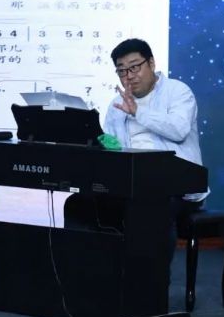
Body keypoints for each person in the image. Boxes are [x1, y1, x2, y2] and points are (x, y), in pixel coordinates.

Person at [64, 38, 208, 253]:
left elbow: (179, 130)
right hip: (133, 183)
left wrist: (138, 112)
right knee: (78, 203)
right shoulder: (117, 104)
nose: (129, 76)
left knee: (150, 206)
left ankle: (153, 273)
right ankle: (96, 267)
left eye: (134, 67)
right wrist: (104, 144)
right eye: (122, 71)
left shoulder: (177, 91)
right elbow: (114, 150)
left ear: (151, 63)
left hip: (176, 185)